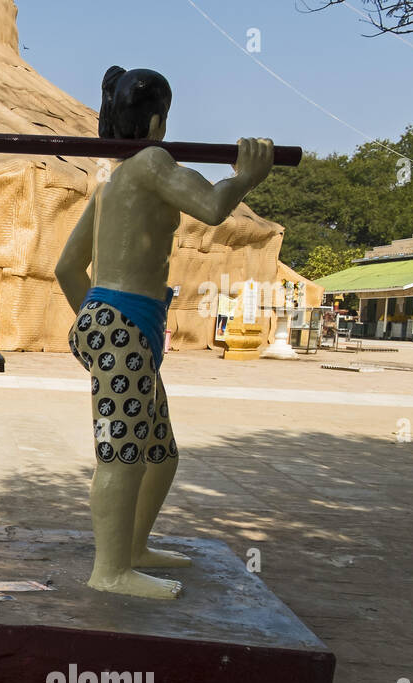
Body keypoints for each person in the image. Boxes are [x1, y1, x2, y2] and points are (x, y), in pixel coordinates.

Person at [55, 66, 273, 599]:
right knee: (122, 450)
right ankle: (109, 570)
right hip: (123, 325)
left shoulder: (110, 185)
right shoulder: (153, 162)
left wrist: (94, 320)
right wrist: (245, 176)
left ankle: (132, 547)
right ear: (157, 120)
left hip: (118, 324)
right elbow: (213, 206)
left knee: (159, 452)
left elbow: (66, 267)